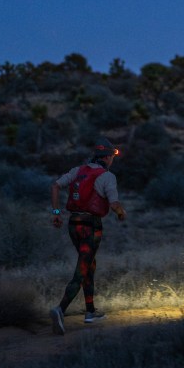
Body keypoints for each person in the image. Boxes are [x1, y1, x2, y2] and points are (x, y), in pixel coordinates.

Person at [49, 137, 127, 335]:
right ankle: (60, 309)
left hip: (73, 224)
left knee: (89, 265)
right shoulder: (107, 177)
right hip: (91, 227)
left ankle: (90, 312)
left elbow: (55, 186)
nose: (112, 160)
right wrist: (120, 213)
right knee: (82, 270)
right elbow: (114, 203)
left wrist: (56, 214)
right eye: (112, 156)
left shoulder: (78, 171)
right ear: (108, 157)